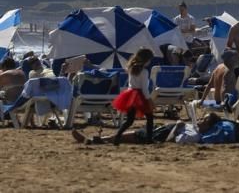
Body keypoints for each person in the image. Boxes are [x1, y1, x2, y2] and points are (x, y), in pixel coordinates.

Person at [71, 112, 223, 146]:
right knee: (123, 135)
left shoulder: (194, 135)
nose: (201, 120)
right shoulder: (194, 129)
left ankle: (91, 141)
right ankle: (93, 140)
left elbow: (171, 142)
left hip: (156, 136)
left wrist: (177, 127)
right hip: (158, 130)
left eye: (205, 120)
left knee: (124, 136)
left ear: (208, 126)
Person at [112, 48, 154, 146]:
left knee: (129, 120)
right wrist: (149, 100)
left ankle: (118, 136)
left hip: (130, 94)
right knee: (150, 117)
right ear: (146, 60)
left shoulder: (131, 68)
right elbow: (144, 88)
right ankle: (149, 139)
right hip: (140, 96)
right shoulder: (144, 71)